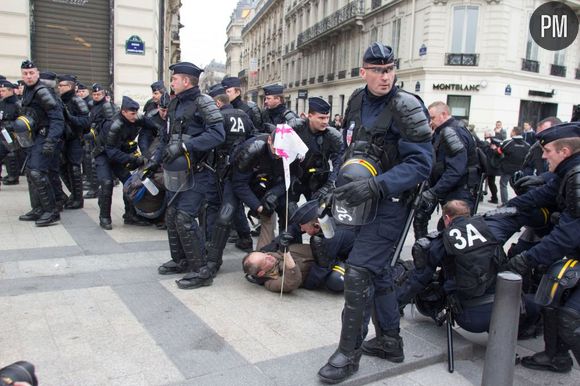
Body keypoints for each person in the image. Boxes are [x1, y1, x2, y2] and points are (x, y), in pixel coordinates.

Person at [317, 42, 433, 384]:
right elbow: (351, 150)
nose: (385, 76)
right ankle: (389, 341)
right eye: (378, 70)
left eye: (390, 69)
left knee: (358, 272)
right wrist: (334, 186)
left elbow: (421, 164)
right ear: (363, 70)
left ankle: (348, 356)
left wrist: (378, 186)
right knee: (379, 271)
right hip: (360, 197)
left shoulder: (406, 106)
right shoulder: (355, 100)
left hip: (392, 202)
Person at [504, 122, 580, 373]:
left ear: (565, 152)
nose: (543, 155)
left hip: (573, 249)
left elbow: (566, 237)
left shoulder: (577, 177)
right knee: (551, 293)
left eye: (547, 151)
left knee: (571, 317)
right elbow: (537, 196)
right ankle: (556, 356)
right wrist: (501, 212)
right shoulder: (566, 172)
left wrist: (527, 259)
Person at [399, 200, 540, 333]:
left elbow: (418, 280)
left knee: (432, 280)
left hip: (471, 319)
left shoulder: (440, 242)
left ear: (447, 218)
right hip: (508, 309)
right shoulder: (490, 228)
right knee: (535, 303)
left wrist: (396, 302)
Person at [155, 61, 225, 290]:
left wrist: (186, 147)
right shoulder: (175, 103)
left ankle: (202, 271)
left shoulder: (203, 102)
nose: (171, 82)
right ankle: (181, 260)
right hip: (178, 170)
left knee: (185, 217)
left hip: (200, 171)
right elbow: (169, 135)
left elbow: (217, 134)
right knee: (172, 214)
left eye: (174, 79)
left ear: (186, 81)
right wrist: (156, 159)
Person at [243, 200, 353, 293]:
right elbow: (292, 282)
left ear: (316, 226)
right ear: (261, 272)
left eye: (264, 254)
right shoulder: (270, 282)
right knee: (334, 281)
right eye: (265, 258)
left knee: (335, 280)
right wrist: (283, 250)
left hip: (351, 253)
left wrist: (277, 244)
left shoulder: (331, 236)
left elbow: (321, 268)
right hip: (324, 260)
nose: (267, 255)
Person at [413, 101, 480, 239]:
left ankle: (437, 258)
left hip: (459, 190)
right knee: (421, 217)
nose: (430, 122)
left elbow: (455, 170)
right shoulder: (444, 131)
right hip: (448, 187)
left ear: (443, 114)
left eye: (432, 118)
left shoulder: (452, 132)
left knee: (452, 231)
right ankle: (424, 253)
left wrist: (434, 192)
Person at [203, 84, 254, 260]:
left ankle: (211, 241)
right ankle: (245, 238)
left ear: (217, 103)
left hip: (219, 167)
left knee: (213, 204)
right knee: (235, 203)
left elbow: (212, 141)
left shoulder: (218, 117)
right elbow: (252, 138)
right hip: (240, 166)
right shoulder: (244, 115)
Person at [231, 130, 302, 251]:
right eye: (276, 150)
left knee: (288, 211)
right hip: (252, 183)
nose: (279, 155)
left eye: (282, 152)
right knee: (265, 215)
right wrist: (258, 206)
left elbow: (292, 177)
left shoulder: (292, 151)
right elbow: (239, 183)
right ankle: (264, 256)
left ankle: (287, 252)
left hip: (277, 184)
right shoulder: (252, 149)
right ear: (269, 140)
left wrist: (273, 193)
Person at [93, 96, 157, 229]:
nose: (135, 116)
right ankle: (104, 217)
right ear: (123, 112)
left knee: (130, 183)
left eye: (136, 113)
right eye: (132, 113)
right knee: (107, 183)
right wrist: (133, 159)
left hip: (120, 155)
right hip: (104, 155)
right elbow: (111, 151)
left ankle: (130, 215)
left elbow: (152, 124)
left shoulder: (135, 118)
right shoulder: (114, 125)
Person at [17, 60, 64, 226]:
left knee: (37, 172)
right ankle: (38, 209)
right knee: (31, 173)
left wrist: (51, 141)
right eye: (25, 73)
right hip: (35, 137)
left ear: (37, 73)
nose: (28, 76)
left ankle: (51, 211)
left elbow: (57, 119)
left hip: (46, 137)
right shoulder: (28, 90)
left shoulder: (42, 91)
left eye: (31, 73)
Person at [290, 97, 344, 202]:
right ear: (310, 116)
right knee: (288, 212)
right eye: (321, 118)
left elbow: (339, 163)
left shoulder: (333, 136)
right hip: (294, 178)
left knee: (314, 214)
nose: (325, 121)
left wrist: (328, 185)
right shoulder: (295, 128)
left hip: (318, 181)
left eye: (327, 118)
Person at [57, 74, 90, 209]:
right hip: (63, 139)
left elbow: (86, 122)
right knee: (62, 167)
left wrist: (69, 117)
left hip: (75, 139)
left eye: (61, 85)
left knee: (74, 168)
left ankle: (78, 199)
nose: (58, 87)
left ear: (69, 86)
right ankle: (73, 195)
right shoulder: (61, 100)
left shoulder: (77, 101)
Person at [496, 126, 529, 205]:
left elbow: (499, 150)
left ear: (514, 132)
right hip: (520, 169)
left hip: (507, 168)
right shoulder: (527, 145)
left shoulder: (509, 142)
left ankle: (505, 203)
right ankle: (521, 202)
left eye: (511, 131)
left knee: (503, 184)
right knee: (519, 186)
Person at [0, 79, 21, 186]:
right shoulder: (2, 103)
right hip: (2, 131)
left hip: (12, 133)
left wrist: (10, 126)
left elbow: (22, 119)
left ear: (10, 91)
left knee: (11, 154)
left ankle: (13, 176)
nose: (1, 92)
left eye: (3, 90)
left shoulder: (17, 103)